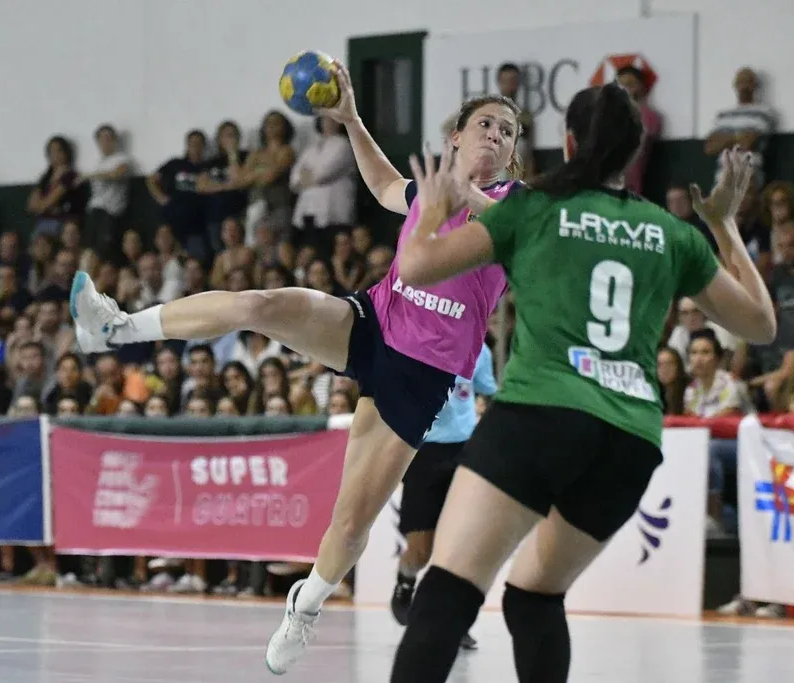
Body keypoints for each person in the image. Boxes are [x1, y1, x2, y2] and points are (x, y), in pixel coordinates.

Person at [70, 59, 524, 675]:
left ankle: (305, 604)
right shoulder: (429, 192)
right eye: (486, 125)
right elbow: (385, 186)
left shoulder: (518, 208)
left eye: (507, 132)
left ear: (512, 155)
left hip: (420, 378)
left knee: (351, 525)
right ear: (457, 137)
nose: (495, 135)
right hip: (372, 323)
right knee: (258, 304)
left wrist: (461, 195)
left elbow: (498, 225)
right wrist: (352, 120)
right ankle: (115, 328)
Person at [386, 84, 775, 683]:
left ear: (568, 143)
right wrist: (722, 225)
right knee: (534, 596)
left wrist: (433, 212)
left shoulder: (534, 209)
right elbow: (761, 324)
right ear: (634, 153)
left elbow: (415, 268)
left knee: (447, 591)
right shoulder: (670, 233)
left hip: (539, 416)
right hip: (629, 440)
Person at [390, 344, 498, 651]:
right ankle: (405, 580)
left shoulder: (479, 350)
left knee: (461, 546)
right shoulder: (417, 340)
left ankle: (455, 623)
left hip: (464, 450)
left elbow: (489, 391)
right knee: (421, 551)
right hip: (423, 450)